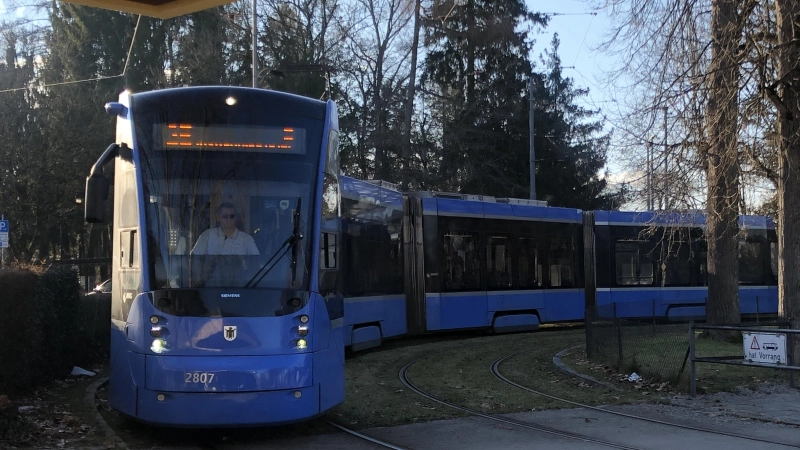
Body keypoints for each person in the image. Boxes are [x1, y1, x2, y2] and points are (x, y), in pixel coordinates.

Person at [191, 202, 260, 256]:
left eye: (231, 216)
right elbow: (194, 259)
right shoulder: (207, 236)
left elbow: (255, 263)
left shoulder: (247, 239)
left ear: (235, 218)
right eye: (225, 216)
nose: (228, 219)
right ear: (218, 217)